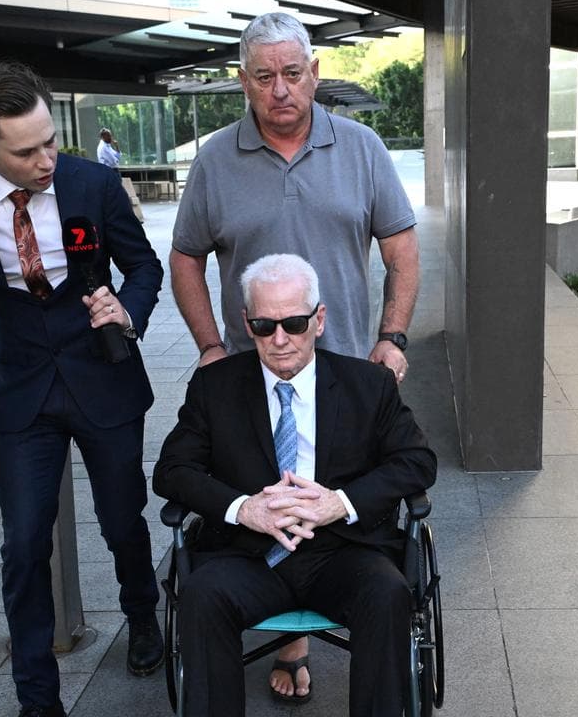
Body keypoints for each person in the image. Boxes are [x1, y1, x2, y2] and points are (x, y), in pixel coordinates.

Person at [169, 11, 421, 699]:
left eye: (291, 73)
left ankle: (301, 624)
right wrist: (214, 348)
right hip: (249, 377)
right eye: (263, 76)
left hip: (349, 373)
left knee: (337, 498)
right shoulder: (217, 159)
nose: (280, 89)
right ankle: (290, 644)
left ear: (313, 73)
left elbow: (400, 251)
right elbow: (186, 256)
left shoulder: (362, 147)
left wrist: (391, 340)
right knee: (264, 483)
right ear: (243, 83)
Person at [0, 61, 165, 717]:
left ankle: (143, 616)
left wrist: (127, 309)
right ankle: (37, 695)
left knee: (122, 520)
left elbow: (143, 266)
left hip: (106, 376)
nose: (45, 160)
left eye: (51, 142)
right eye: (26, 151)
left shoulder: (93, 183)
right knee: (23, 541)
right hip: (25, 389)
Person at [153, 253, 436, 716]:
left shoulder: (368, 385)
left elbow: (417, 461)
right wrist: (243, 508)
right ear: (247, 324)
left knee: (388, 595)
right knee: (201, 598)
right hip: (249, 553)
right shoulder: (215, 387)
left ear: (319, 320)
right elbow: (171, 470)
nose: (280, 339)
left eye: (295, 323)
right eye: (265, 325)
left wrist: (338, 502)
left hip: (343, 550)